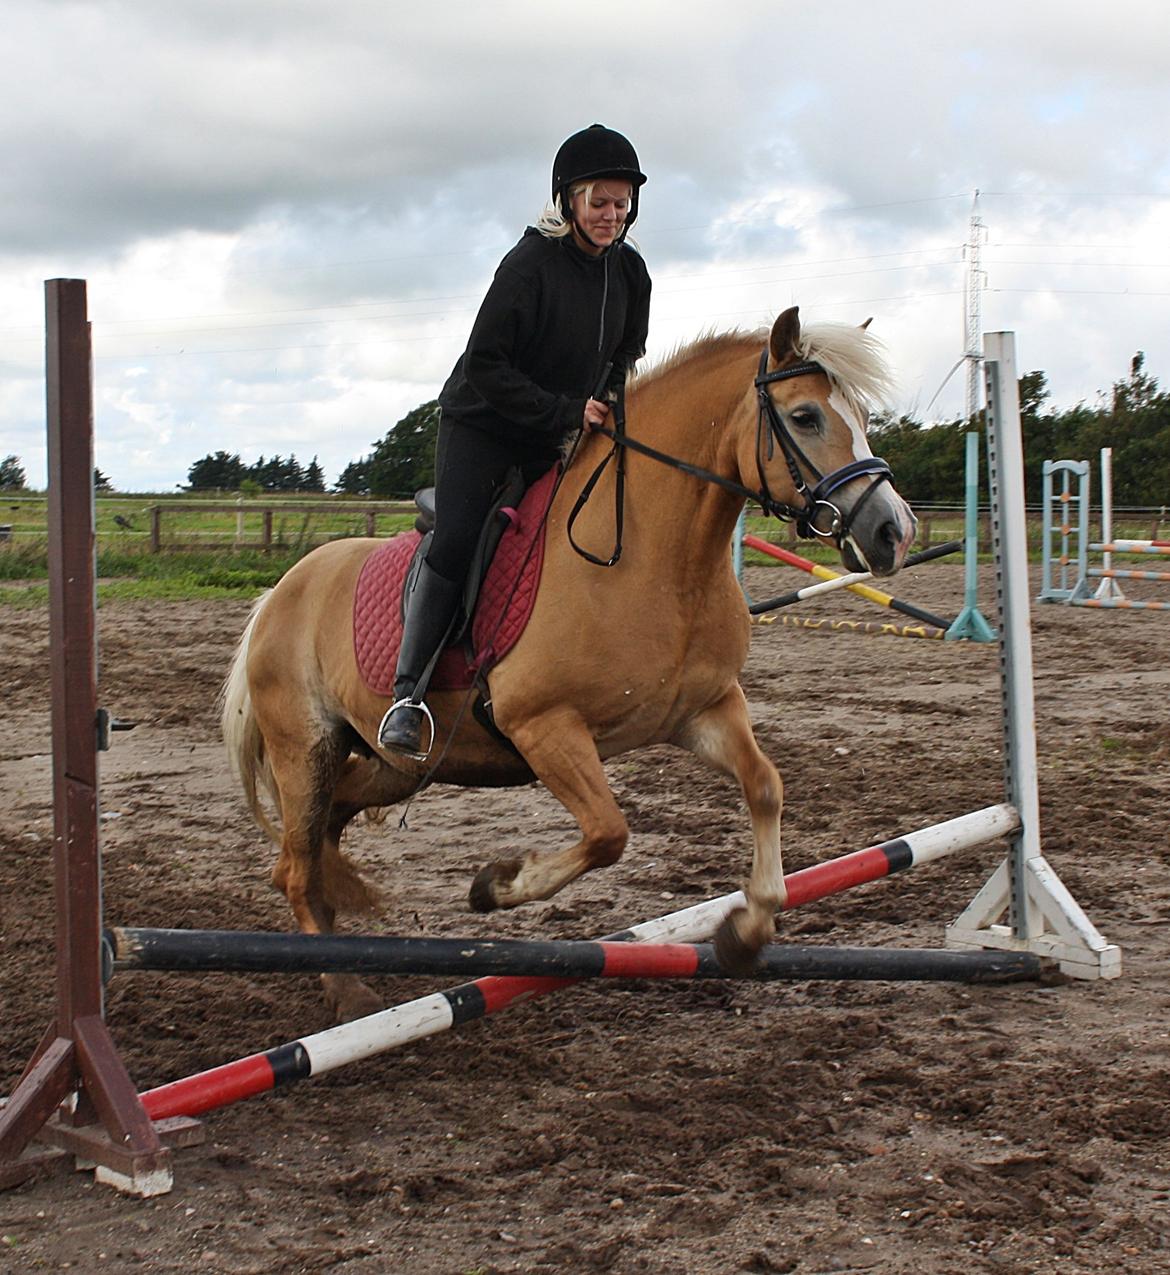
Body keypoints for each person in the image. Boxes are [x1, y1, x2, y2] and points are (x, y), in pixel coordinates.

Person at [378, 124, 652, 757]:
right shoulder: (528, 265)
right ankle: (407, 694)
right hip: (485, 424)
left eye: (622, 202)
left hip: (561, 429)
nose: (612, 215)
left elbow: (625, 355)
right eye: (599, 201)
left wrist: (606, 403)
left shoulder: (631, 273)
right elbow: (486, 366)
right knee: (459, 537)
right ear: (569, 201)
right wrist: (564, 411)